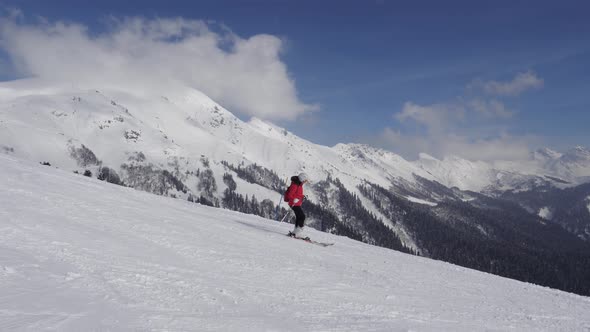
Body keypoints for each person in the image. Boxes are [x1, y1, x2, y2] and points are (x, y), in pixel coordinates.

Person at [285, 172, 309, 238]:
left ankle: (295, 232)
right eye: (305, 180)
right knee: (302, 216)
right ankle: (299, 232)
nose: (305, 182)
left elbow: (297, 194)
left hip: (297, 203)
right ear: (302, 179)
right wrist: (294, 199)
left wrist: (303, 196)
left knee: (299, 217)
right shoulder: (295, 185)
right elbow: (290, 195)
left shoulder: (299, 185)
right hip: (293, 203)